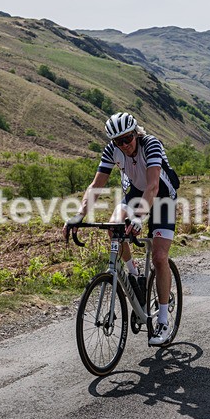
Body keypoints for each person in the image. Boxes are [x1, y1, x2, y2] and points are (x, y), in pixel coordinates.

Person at [64, 112, 179, 346]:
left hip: (163, 197)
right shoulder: (112, 149)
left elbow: (153, 185)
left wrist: (139, 217)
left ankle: (164, 322)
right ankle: (134, 276)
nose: (124, 145)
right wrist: (79, 215)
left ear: (135, 133)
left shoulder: (151, 144)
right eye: (119, 141)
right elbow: (96, 185)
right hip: (135, 195)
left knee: (159, 257)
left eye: (127, 138)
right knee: (114, 227)